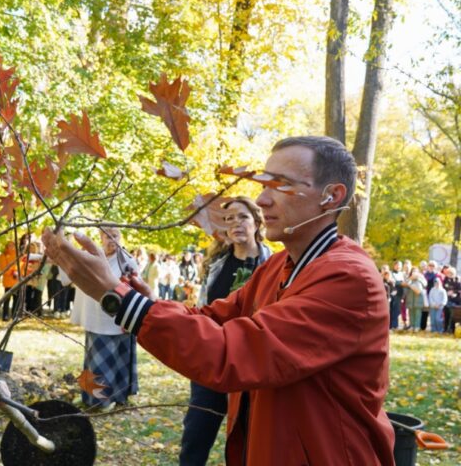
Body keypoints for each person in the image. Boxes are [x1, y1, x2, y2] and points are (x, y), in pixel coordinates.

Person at [43, 136, 395, 464]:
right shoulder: (278, 266)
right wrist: (144, 300)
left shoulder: (349, 279)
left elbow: (235, 352)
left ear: (331, 196)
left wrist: (117, 299)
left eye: (281, 185)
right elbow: (213, 318)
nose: (262, 200)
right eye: (263, 185)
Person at [181, 196, 271, 466]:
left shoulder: (274, 265)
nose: (236, 224)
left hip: (252, 365)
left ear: (256, 222)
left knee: (248, 442)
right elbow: (204, 310)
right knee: (195, 436)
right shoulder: (215, 265)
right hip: (212, 361)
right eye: (229, 219)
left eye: (242, 217)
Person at [69, 227, 139, 410]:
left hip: (116, 322)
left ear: (120, 237)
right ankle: (88, 396)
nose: (110, 240)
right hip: (95, 319)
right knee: (91, 358)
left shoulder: (127, 261)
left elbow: (134, 288)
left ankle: (106, 399)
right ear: (100, 238)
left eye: (114, 235)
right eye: (106, 236)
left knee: (110, 361)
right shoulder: (96, 257)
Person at [404, 267, 427, 331]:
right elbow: (405, 284)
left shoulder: (421, 278)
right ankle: (412, 325)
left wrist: (419, 279)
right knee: (411, 313)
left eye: (416, 271)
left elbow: (425, 284)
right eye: (413, 271)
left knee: (418, 313)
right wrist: (410, 279)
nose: (414, 273)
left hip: (418, 299)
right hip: (410, 299)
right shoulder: (409, 278)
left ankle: (417, 326)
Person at [443, 266, 459, 333]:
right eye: (449, 273)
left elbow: (459, 290)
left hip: (455, 301)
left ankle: (452, 330)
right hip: (447, 300)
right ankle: (445, 329)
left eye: (451, 273)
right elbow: (443, 288)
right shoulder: (445, 279)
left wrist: (454, 292)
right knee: (446, 315)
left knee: (453, 316)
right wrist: (447, 292)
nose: (450, 275)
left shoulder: (458, 280)